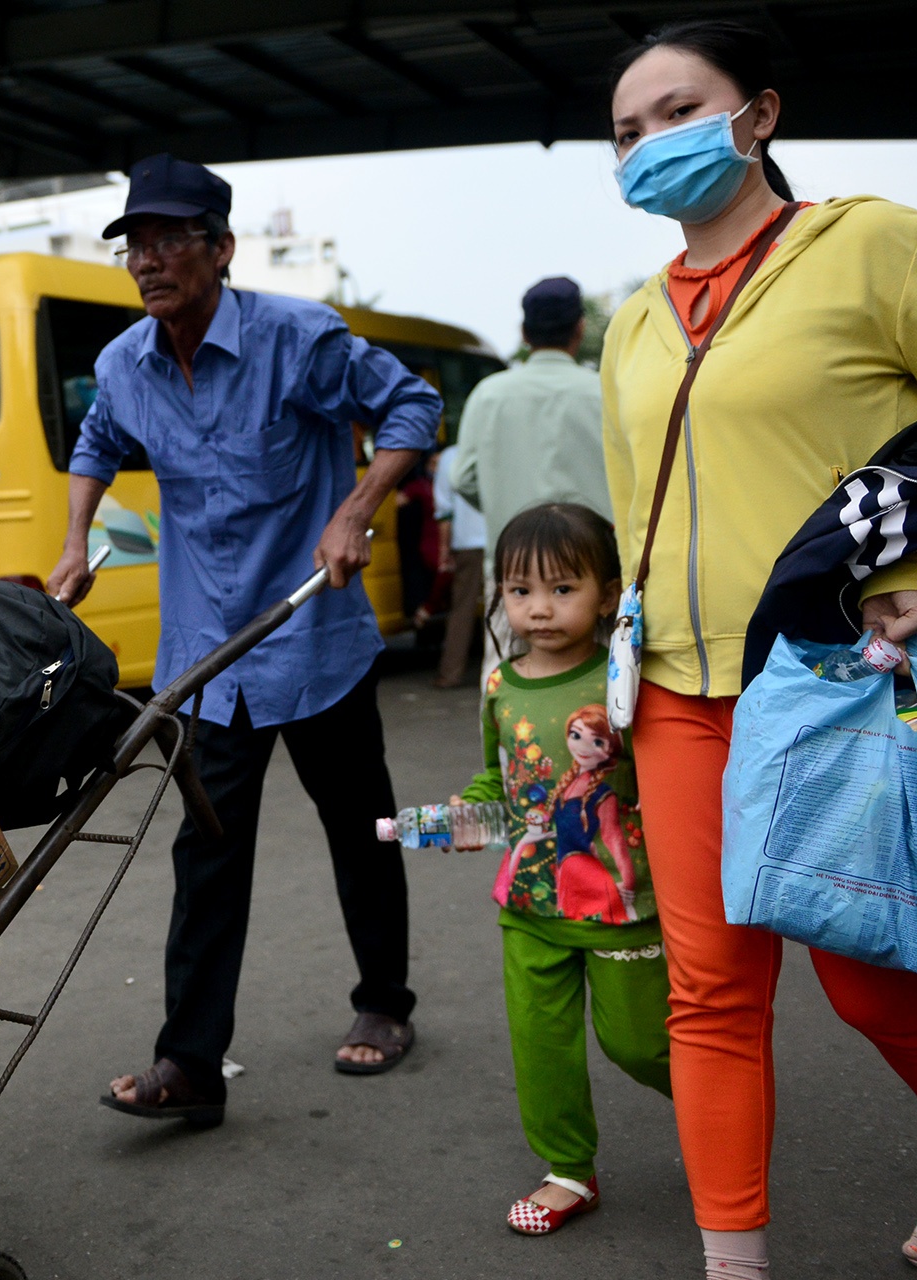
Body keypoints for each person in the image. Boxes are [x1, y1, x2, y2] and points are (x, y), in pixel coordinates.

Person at [602, 21, 917, 1280]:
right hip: (680, 693)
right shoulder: (633, 318)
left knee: (870, 979)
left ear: (759, 116)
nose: (648, 141)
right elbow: (639, 518)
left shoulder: (873, 245)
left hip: (840, 677)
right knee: (710, 987)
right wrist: (604, 680)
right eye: (626, 129)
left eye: (678, 109)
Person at [46, 153, 444, 1122]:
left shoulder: (296, 341)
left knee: (360, 831)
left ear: (221, 249)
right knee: (207, 853)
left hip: (311, 639)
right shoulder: (123, 366)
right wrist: (75, 542)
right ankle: (189, 1066)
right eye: (135, 245)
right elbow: (97, 440)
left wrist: (356, 506)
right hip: (207, 660)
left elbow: (413, 406)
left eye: (168, 241)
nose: (148, 262)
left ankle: (385, 1003)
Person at [443, 503, 669, 1234]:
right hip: (531, 901)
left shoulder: (628, 680)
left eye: (562, 589)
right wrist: (464, 813)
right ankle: (568, 1169)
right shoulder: (499, 686)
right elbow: (495, 780)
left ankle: (723, 1096)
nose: (538, 609)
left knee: (640, 1043)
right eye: (519, 590)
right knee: (541, 1046)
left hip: (621, 901)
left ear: (607, 595)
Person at [450, 277, 612, 677]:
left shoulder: (489, 394)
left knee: (507, 680)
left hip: (515, 572)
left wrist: (502, 498)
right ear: (580, 328)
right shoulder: (605, 391)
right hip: (593, 573)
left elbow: (463, 478)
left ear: (524, 333)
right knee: (601, 686)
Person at [430, 444, 486, 687]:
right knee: (506, 608)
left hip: (466, 542)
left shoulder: (450, 457)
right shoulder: (499, 446)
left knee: (462, 608)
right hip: (503, 538)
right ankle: (505, 673)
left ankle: (450, 673)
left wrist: (444, 549)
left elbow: (444, 509)